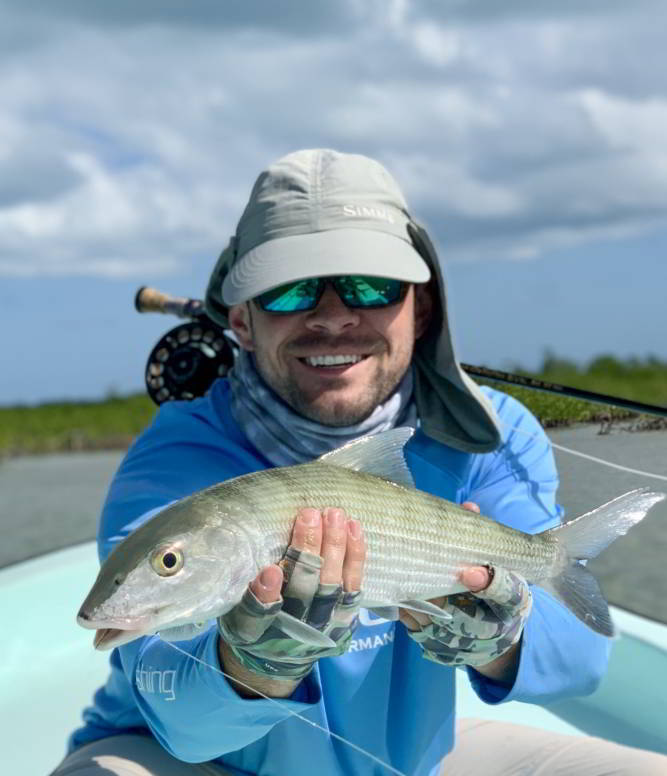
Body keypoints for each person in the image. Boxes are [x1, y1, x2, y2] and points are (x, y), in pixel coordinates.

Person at [51, 149, 667, 776]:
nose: (335, 316)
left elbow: (581, 657)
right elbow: (176, 713)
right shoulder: (179, 458)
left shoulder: (491, 432)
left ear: (420, 310)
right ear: (242, 320)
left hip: (406, 760)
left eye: (372, 287)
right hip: (192, 761)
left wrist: (498, 637)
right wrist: (251, 662)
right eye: (290, 291)